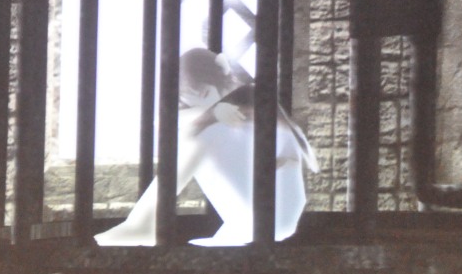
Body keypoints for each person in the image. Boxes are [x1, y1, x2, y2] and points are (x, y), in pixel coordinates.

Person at [94, 47, 317, 246]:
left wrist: (210, 115)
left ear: (223, 71)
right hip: (265, 212)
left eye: (205, 93)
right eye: (191, 100)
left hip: (274, 212)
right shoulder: (221, 111)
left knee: (199, 138)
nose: (204, 103)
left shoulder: (252, 93)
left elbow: (188, 129)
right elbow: (165, 125)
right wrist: (211, 112)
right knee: (198, 134)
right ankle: (142, 225)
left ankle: (143, 224)